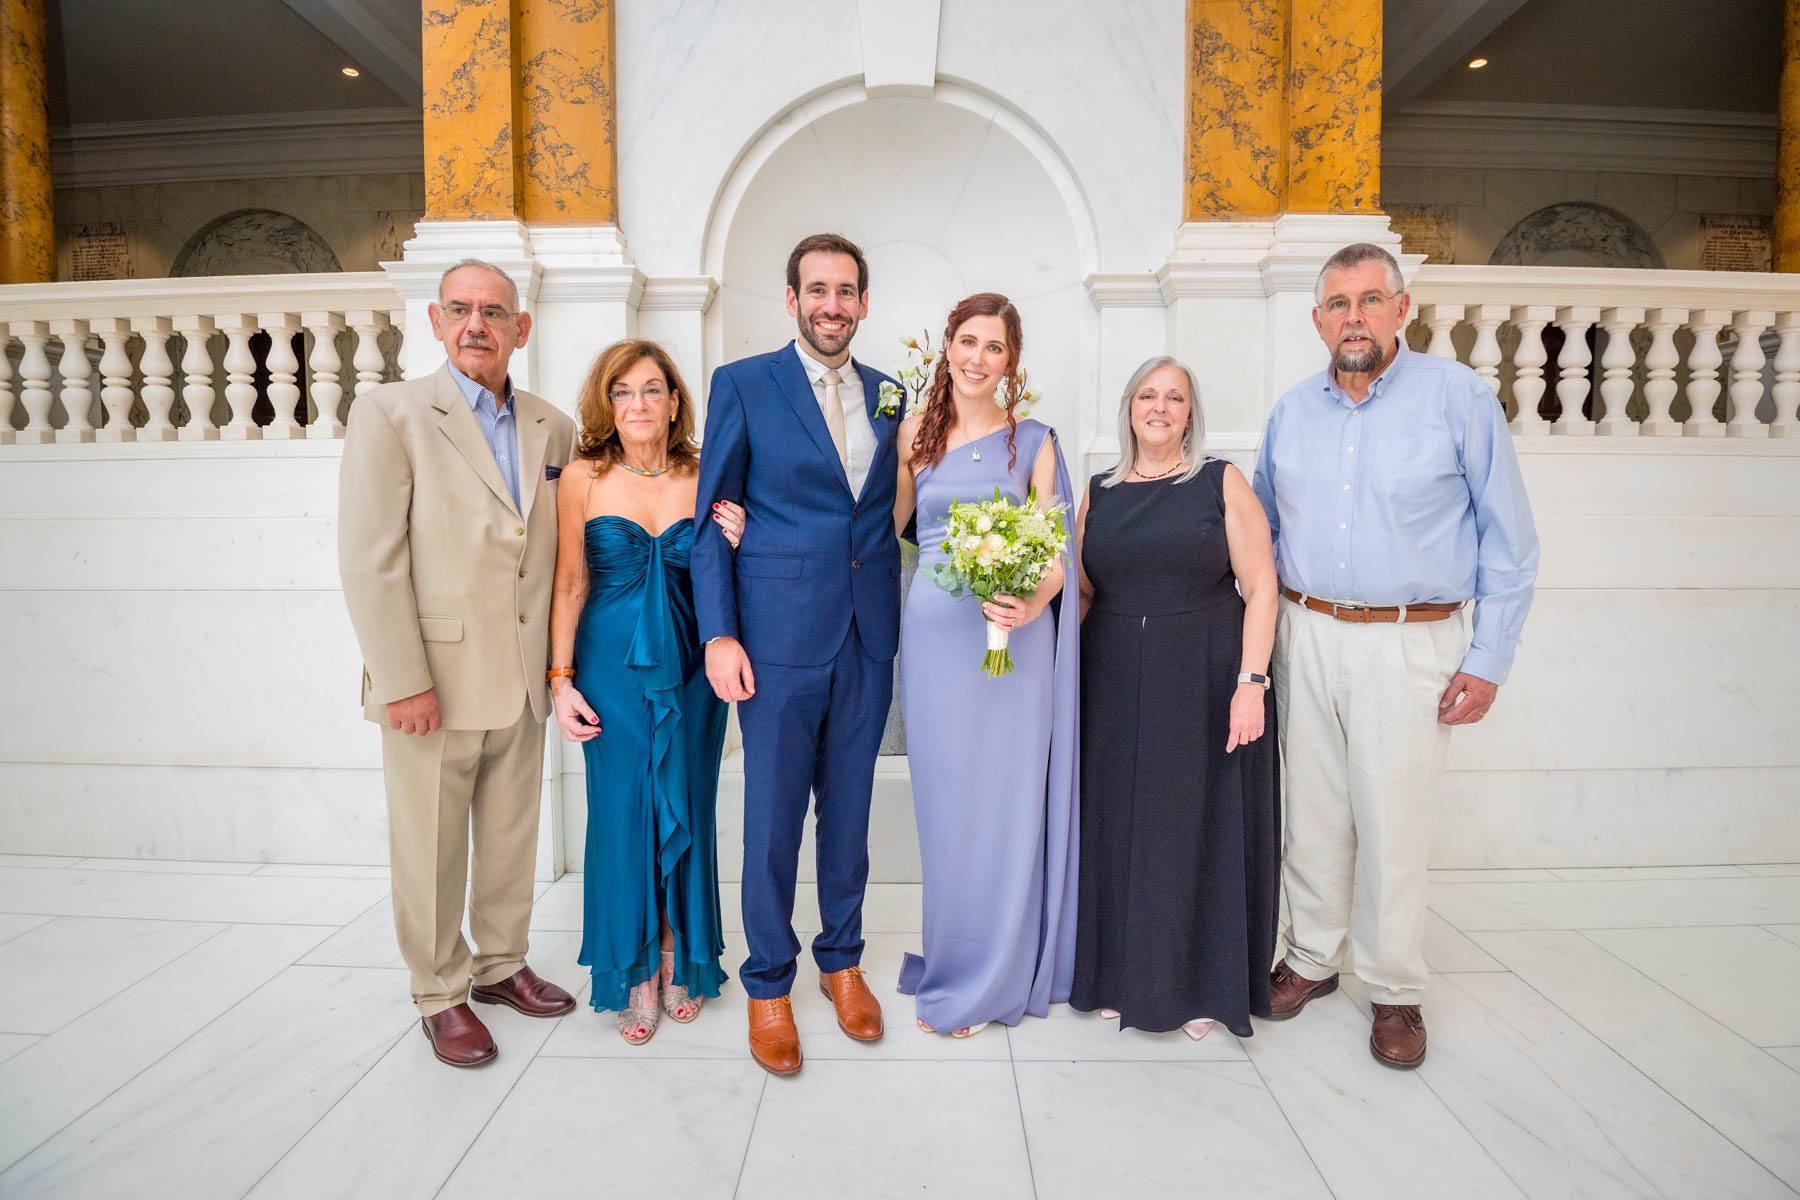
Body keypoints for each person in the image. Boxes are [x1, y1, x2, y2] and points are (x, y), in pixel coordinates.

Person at [1251, 242, 1539, 1068]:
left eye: (1370, 301)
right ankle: (1311, 958)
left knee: (1394, 821)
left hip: (1412, 639)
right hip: (1304, 633)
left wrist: (1488, 659)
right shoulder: (1292, 412)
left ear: (1402, 309)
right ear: (1316, 320)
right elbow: (1262, 534)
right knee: (1310, 812)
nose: (1354, 319)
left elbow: (1510, 543)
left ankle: (1395, 989)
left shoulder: (1458, 399)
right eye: (1338, 304)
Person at [338, 258, 578, 1069]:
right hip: (430, 681)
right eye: (461, 309)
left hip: (521, 675)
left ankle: (501, 965)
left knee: (512, 833)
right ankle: (439, 992)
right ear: (436, 323)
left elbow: (552, 553)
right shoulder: (391, 413)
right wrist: (401, 678)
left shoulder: (554, 427)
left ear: (522, 327)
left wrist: (558, 666)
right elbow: (370, 559)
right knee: (431, 845)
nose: (478, 323)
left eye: (494, 311)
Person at [692, 233, 902, 1076]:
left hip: (867, 634)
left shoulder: (890, 393)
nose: (832, 305)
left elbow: (890, 509)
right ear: (791, 299)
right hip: (774, 637)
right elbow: (713, 518)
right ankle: (769, 983)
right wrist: (719, 633)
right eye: (817, 289)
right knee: (772, 820)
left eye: (847, 291)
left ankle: (841, 962)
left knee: (849, 816)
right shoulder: (744, 383)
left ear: (862, 302)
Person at [1069, 356, 1280, 1042]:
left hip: (1204, 673)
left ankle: (1198, 985)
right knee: (1117, 826)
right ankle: (1118, 976)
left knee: (1193, 827)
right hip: (1113, 674)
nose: (1160, 407)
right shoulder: (1098, 489)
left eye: (1175, 398)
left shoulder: (1221, 482)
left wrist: (1251, 684)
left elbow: (1262, 586)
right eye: (1148, 395)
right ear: (1129, 406)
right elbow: (1081, 592)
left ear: (1191, 413)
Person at [892, 292, 1080, 1038]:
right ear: (946, 347)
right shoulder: (914, 435)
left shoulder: (1034, 441)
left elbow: (1057, 552)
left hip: (1014, 639)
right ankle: (956, 960)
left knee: (1004, 801)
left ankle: (999, 971)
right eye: (966, 342)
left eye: (993, 347)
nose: (977, 358)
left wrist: (1031, 604)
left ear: (1011, 360)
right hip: (935, 641)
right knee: (947, 810)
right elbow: (885, 529)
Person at [547, 340, 730, 1045]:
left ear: (675, 400)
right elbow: (569, 582)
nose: (639, 405)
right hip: (610, 669)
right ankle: (635, 972)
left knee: (686, 801)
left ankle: (683, 955)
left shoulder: (705, 472)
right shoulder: (584, 478)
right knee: (624, 813)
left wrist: (741, 537)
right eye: (623, 392)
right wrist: (561, 683)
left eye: (653, 390)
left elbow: (725, 567)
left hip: (690, 666)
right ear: (607, 403)